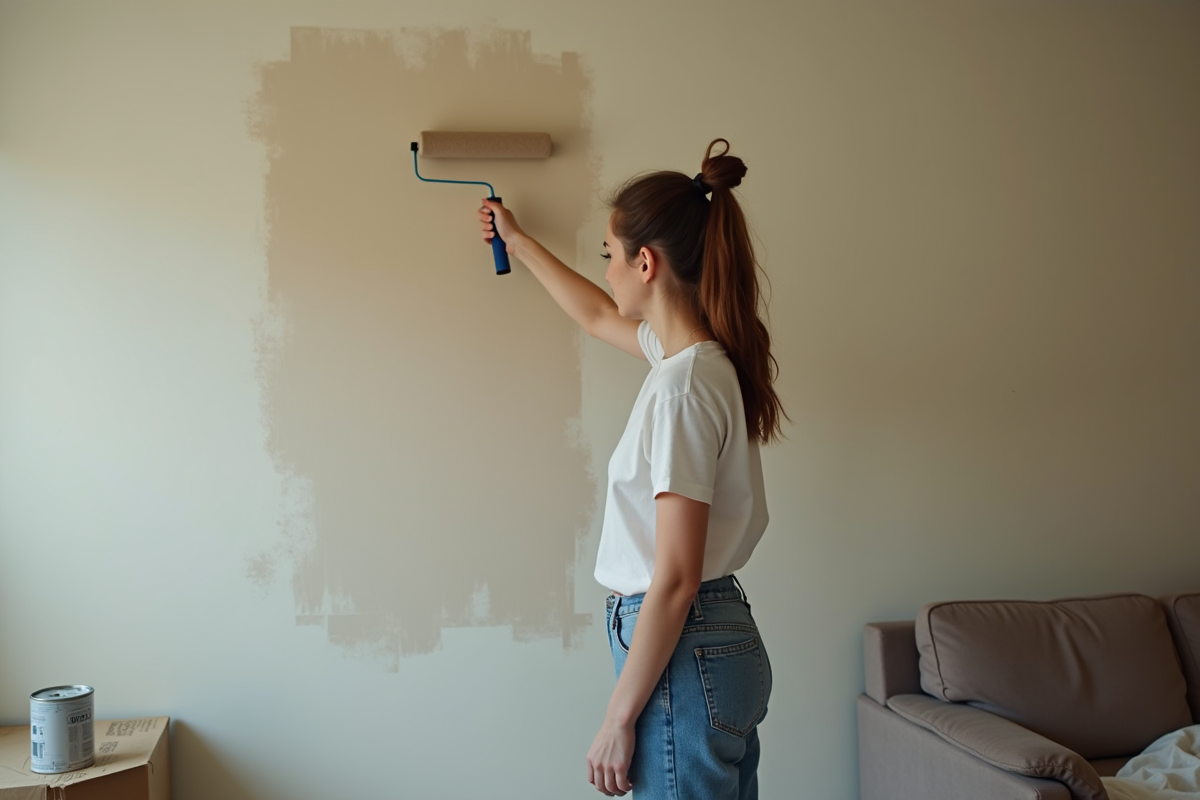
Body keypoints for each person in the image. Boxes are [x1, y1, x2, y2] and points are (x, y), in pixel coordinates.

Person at [478, 139, 785, 800]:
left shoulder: (683, 388)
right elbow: (593, 314)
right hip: (712, 643)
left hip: (684, 644)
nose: (609, 271)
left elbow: (674, 575)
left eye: (610, 256)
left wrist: (618, 718)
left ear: (646, 263)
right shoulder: (695, 362)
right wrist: (519, 239)